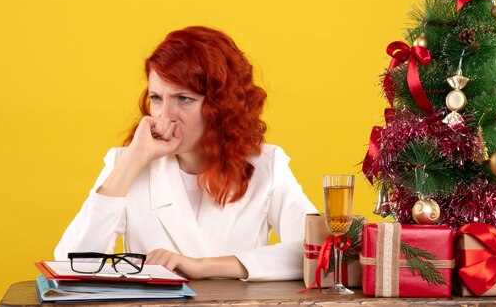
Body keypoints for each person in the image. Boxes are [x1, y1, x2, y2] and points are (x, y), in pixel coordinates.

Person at [54, 26, 317, 280]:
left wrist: (205, 267)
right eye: (156, 98)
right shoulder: (128, 163)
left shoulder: (267, 165)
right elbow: (70, 264)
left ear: (221, 107)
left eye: (184, 99)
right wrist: (131, 161)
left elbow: (318, 253)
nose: (164, 116)